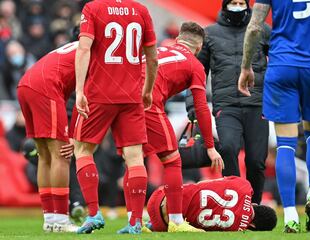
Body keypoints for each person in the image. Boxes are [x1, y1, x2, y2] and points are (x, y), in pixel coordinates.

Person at [238, 0, 310, 233]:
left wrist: (246, 66)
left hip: (281, 67)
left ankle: (290, 216)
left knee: (285, 145)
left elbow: (253, 27)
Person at [117, 22, 224, 234]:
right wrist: (210, 146)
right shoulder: (195, 65)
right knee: (172, 160)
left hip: (121, 98)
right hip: (147, 103)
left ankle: (134, 223)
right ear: (200, 47)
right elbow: (201, 108)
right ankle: (176, 221)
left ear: (177, 40)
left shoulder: (162, 46)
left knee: (134, 160)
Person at [74, 0, 158, 234]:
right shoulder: (140, 10)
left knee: (82, 150)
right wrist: (148, 89)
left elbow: (83, 48)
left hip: (99, 94)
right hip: (131, 96)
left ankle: (93, 214)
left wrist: (80, 90)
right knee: (134, 158)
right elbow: (152, 56)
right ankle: (135, 222)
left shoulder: (93, 8)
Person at [186, 0, 270, 204]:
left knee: (256, 161)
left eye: (241, 2)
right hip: (226, 106)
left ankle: (254, 207)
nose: (237, 6)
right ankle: (238, 203)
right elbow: (196, 73)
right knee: (228, 149)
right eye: (233, 2)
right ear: (225, 5)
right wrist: (193, 105)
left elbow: (279, 62)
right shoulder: (210, 34)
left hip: (257, 103)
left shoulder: (263, 30)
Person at [17, 40, 80, 233]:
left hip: (26, 84)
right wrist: (76, 135)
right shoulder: (97, 51)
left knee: (44, 156)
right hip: (46, 86)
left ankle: (51, 219)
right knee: (61, 154)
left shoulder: (79, 44)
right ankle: (61, 220)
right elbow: (87, 97)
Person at [147, 176, 277, 232]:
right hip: (162, 224)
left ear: (255, 204)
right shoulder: (236, 229)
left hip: (160, 196)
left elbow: (208, 182)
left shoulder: (245, 185)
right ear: (253, 226)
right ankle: (149, 225)